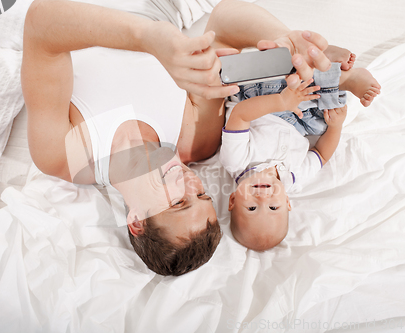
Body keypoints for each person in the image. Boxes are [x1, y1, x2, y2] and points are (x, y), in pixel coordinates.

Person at [21, 0, 334, 275]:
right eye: (202, 196)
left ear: (137, 220)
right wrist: (284, 42)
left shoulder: (65, 155)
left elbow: (41, 22)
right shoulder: (196, 140)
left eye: (179, 202)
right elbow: (224, 22)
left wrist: (147, 38)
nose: (193, 184)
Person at [219, 62, 381, 252]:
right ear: (287, 202)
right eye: (273, 207)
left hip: (260, 101)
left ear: (232, 200)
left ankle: (342, 77)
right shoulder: (295, 178)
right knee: (323, 124)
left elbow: (240, 115)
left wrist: (282, 102)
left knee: (290, 88)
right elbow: (321, 154)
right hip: (300, 122)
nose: (263, 199)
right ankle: (328, 68)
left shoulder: (236, 162)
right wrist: (337, 126)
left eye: (252, 208)